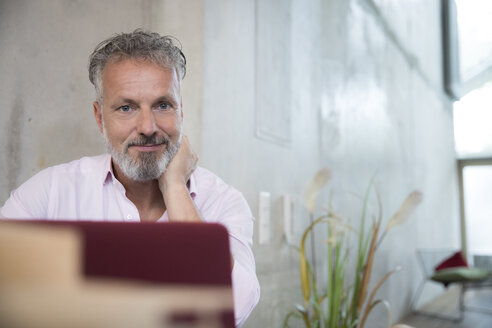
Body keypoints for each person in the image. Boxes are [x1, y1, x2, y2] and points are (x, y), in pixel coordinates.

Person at [0, 29, 260, 327]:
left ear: (181, 111)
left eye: (163, 105)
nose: (148, 127)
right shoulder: (50, 193)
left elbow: (237, 307)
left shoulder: (223, 201)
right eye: (127, 108)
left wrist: (176, 189)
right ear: (99, 117)